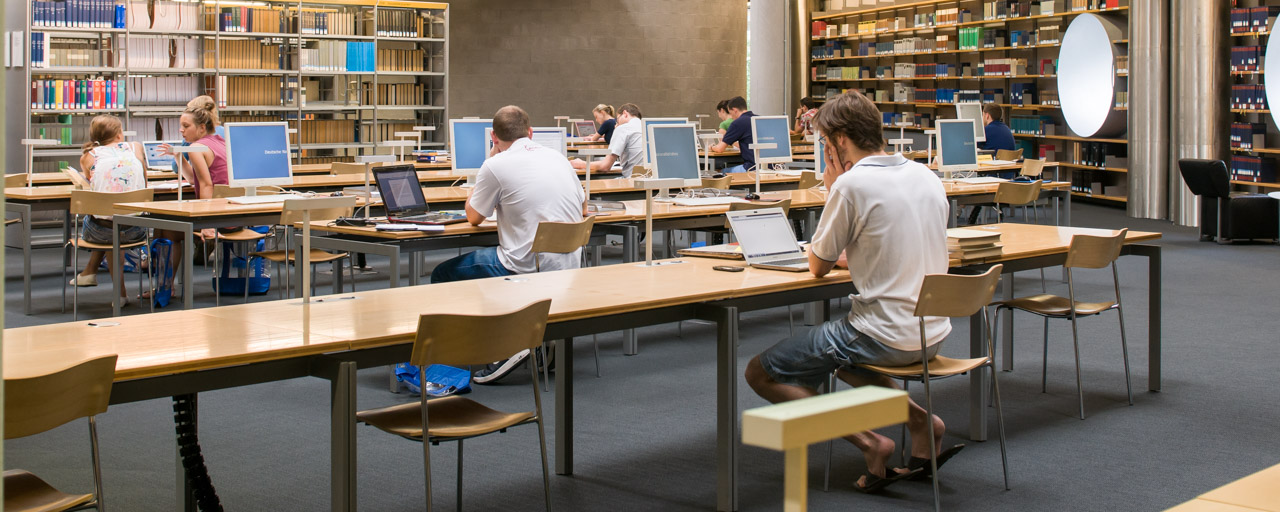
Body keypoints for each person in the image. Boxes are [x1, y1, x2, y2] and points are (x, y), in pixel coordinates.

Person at [743, 90, 959, 494]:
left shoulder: (852, 184)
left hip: (881, 334)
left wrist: (832, 185)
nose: (824, 150)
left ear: (840, 140)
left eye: (825, 142)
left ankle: (870, 442)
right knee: (845, 363)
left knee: (761, 371)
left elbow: (817, 265)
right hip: (931, 330)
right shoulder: (926, 176)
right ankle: (921, 423)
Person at [431, 105, 586, 384]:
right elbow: (583, 206)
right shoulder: (559, 158)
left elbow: (474, 217)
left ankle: (501, 345)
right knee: (496, 258)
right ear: (530, 132)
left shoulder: (495, 164)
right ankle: (525, 336)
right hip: (569, 264)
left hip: (526, 267)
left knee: (442, 274)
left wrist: (486, 165)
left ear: (494, 137)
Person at [68, 115, 149, 299]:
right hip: (136, 229)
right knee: (115, 220)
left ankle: (117, 292)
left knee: (105, 219)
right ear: (120, 135)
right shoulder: (135, 148)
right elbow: (144, 180)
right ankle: (89, 273)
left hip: (101, 232)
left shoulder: (88, 157)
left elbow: (93, 186)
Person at [152, 106, 228, 292]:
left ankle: (164, 287)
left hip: (217, 217)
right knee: (163, 227)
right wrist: (178, 155)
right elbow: (195, 179)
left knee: (165, 230)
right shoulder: (219, 141)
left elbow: (206, 185)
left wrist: (207, 223)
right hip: (229, 211)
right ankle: (164, 286)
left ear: (202, 127)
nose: (181, 130)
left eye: (186, 126)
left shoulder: (196, 147)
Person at [570, 103, 645, 178]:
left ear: (625, 114)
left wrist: (580, 163)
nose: (617, 122)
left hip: (632, 180)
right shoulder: (646, 127)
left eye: (618, 118)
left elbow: (605, 167)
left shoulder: (623, 128)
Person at [711, 96, 755, 173]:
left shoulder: (738, 123)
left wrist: (711, 147)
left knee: (719, 172)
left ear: (735, 110)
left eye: (731, 113)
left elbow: (719, 149)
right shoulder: (758, 119)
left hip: (750, 167)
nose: (731, 117)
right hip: (769, 167)